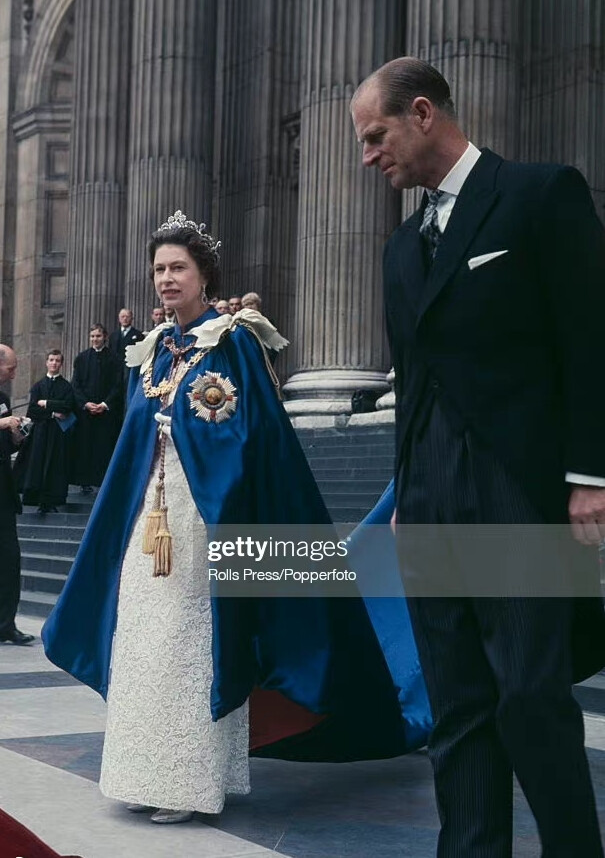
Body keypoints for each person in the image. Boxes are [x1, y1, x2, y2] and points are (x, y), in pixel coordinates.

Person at [42, 209, 431, 825]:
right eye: (159, 270)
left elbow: (259, 437)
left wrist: (207, 462)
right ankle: (146, 770)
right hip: (152, 518)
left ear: (204, 275)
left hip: (209, 519)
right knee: (145, 639)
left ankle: (191, 780)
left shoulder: (236, 342)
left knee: (195, 640)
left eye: (178, 268)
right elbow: (135, 443)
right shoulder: (156, 350)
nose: (167, 279)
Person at [351, 56, 605, 857]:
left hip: (514, 488)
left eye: (374, 135)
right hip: (426, 496)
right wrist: (401, 496)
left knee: (530, 694)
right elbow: (414, 381)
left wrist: (589, 475)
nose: (367, 156)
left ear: (422, 113)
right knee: (457, 704)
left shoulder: (539, 194)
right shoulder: (399, 249)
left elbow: (590, 342)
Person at [0, 344, 34, 645]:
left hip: (3, 493)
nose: (14, 373)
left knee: (9, 560)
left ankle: (5, 623)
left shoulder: (3, 399)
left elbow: (5, 446)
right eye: (10, 367)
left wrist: (16, 436)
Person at [13, 350, 76, 514]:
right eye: (51, 360)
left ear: (61, 364)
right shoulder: (38, 386)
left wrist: (46, 403)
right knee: (38, 464)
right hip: (40, 433)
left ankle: (52, 500)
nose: (54, 363)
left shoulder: (66, 386)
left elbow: (68, 406)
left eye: (57, 360)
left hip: (58, 434)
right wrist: (53, 412)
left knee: (55, 465)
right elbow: (33, 410)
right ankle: (36, 499)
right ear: (46, 363)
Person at [70, 325, 123, 493]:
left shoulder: (115, 358)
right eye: (92, 336)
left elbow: (118, 385)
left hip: (106, 412)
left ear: (105, 337)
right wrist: (85, 404)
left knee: (104, 446)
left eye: (98, 336)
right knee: (85, 446)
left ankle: (103, 483)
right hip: (86, 412)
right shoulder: (82, 358)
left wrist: (105, 404)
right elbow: (76, 385)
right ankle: (84, 483)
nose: (95, 339)